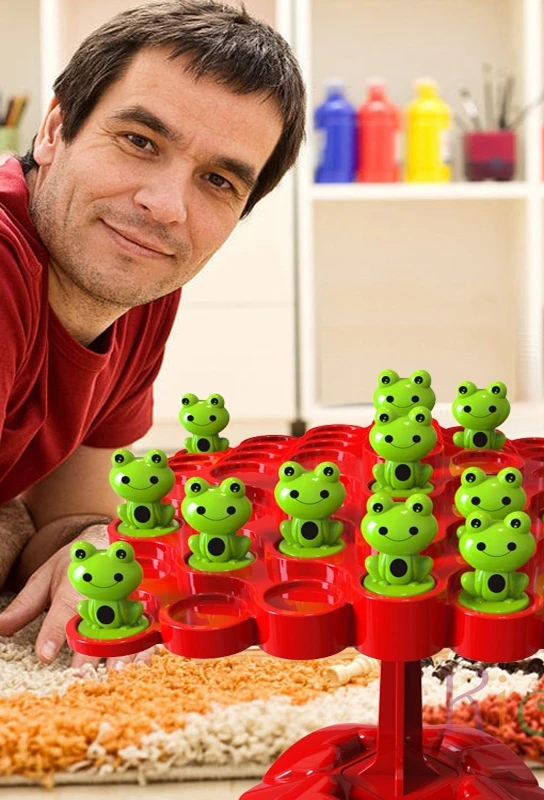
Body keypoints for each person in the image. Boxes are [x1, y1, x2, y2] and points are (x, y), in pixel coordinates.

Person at [0, 0, 305, 667]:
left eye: (217, 181)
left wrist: (90, 545)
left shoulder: (132, 289)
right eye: (140, 141)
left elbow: (68, 513)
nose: (163, 206)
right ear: (55, 129)